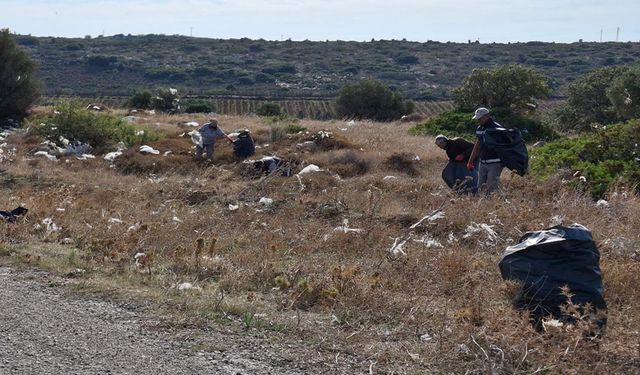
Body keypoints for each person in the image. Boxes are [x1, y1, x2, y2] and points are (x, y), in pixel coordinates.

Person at [467, 107, 504, 194]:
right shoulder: (479, 128)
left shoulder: (497, 128)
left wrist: (503, 163)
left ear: (487, 116)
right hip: (482, 161)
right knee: (480, 186)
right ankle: (482, 204)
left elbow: (504, 147)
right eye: (477, 118)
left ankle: (492, 204)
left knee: (492, 186)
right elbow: (477, 145)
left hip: (495, 162)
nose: (478, 120)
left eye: (480, 118)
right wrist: (470, 161)